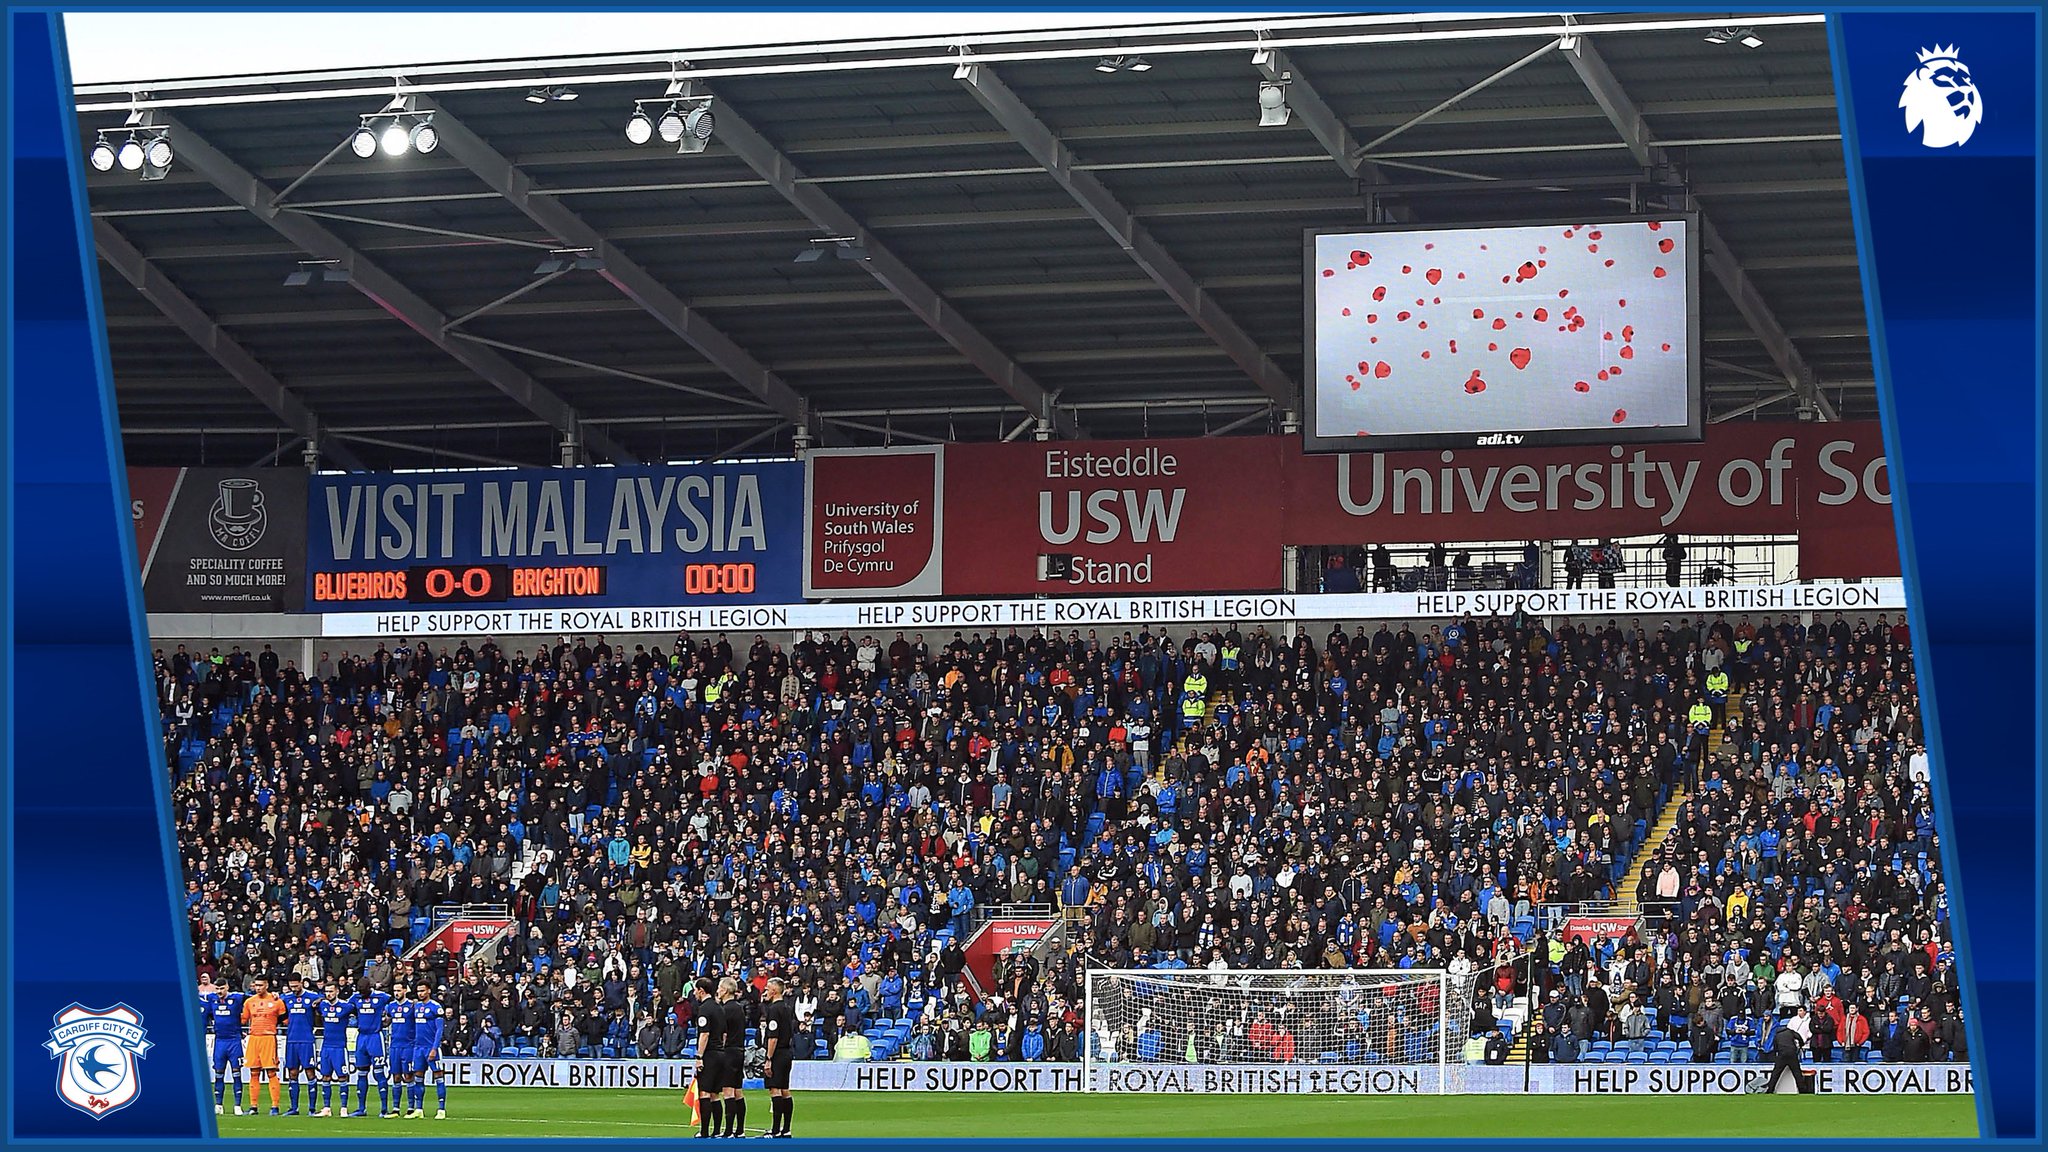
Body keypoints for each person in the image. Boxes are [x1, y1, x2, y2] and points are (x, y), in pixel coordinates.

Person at [201, 979, 248, 1116]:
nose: (219, 992)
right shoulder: (212, 998)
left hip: (234, 1040)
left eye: (222, 988)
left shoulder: (237, 998)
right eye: (217, 989)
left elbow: (252, 998)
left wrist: (274, 995)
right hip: (220, 1041)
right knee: (219, 1073)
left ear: (227, 987)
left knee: (236, 1073)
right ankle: (218, 1105)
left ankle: (237, 1105)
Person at [242, 978, 288, 1116]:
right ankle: (253, 1106)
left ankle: (275, 1106)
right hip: (254, 1037)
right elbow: (243, 1019)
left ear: (267, 985)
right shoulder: (249, 1002)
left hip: (268, 1038)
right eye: (256, 985)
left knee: (271, 1072)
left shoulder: (277, 1001)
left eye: (261, 985)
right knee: (254, 1072)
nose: (258, 988)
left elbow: (286, 1021)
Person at [350, 981, 396, 1118]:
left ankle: (383, 1109)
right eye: (360, 992)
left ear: (369, 988)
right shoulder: (356, 997)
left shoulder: (381, 996)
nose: (362, 994)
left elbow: (395, 1003)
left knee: (379, 1073)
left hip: (375, 1037)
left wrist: (389, 1017)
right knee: (361, 1073)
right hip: (361, 1037)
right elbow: (346, 1006)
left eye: (364, 991)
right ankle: (361, 1108)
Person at [760, 976, 798, 1138]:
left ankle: (775, 1130)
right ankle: (786, 1129)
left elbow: (773, 1036)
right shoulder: (787, 1008)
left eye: (767, 989)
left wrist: (768, 1058)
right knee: (784, 1090)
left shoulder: (774, 1010)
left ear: (774, 991)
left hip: (777, 1053)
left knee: (775, 1089)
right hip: (787, 1052)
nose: (765, 992)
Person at [279, 975, 321, 1116]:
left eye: (296, 986)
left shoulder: (313, 996)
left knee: (310, 1072)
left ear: (302, 983)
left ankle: (312, 1108)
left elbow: (325, 1000)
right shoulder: (286, 998)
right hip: (291, 1040)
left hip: (307, 1040)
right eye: (292, 986)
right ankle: (294, 1108)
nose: (294, 989)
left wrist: (320, 1001)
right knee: (292, 1073)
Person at [691, 978, 724, 1139]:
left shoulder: (704, 1009)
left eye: (696, 990)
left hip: (709, 1054)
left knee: (704, 1093)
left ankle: (704, 1132)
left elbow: (704, 1034)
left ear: (701, 991)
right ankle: (717, 1131)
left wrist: (699, 1056)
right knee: (715, 1094)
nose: (694, 993)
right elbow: (724, 1033)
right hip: (720, 1053)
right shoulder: (719, 1008)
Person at [409, 981, 448, 1119]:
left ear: (429, 991)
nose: (420, 993)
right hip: (418, 1048)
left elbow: (439, 1029)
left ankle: (441, 1109)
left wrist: (435, 1048)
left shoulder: (435, 1007)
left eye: (423, 990)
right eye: (418, 991)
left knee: (438, 1076)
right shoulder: (417, 1007)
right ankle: (419, 1109)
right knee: (418, 1077)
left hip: (431, 1048)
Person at [314, 982, 354, 1116]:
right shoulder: (323, 1005)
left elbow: (355, 1007)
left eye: (331, 991)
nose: (328, 994)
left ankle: (343, 1107)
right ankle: (326, 1108)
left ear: (337, 991)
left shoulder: (346, 1006)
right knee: (325, 1076)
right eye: (327, 991)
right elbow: (315, 1006)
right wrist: (319, 1000)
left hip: (339, 1047)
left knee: (342, 1077)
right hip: (326, 1046)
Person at [717, 976, 749, 1137]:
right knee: (738, 1091)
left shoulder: (725, 1009)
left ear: (725, 990)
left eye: (719, 988)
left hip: (728, 1051)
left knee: (728, 1091)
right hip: (739, 1050)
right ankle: (740, 1129)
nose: (717, 991)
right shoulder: (739, 1007)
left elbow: (723, 1033)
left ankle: (729, 1130)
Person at [1767, 1006, 1813, 1093]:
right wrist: (1801, 1045)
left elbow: (1775, 1047)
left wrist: (1777, 1055)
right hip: (1792, 1053)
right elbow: (1799, 1037)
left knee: (1776, 1073)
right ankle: (1803, 1090)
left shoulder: (1777, 1035)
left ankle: (1770, 1089)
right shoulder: (1790, 1032)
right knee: (1797, 1073)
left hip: (1782, 1055)